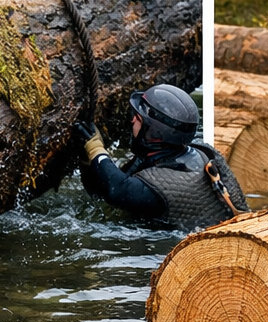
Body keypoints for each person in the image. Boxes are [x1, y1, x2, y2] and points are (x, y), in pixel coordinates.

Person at [74, 83, 248, 230]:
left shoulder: (163, 186)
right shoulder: (197, 152)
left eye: (138, 118)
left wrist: (96, 148)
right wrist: (86, 156)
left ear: (154, 132)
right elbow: (100, 191)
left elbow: (117, 191)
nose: (131, 121)